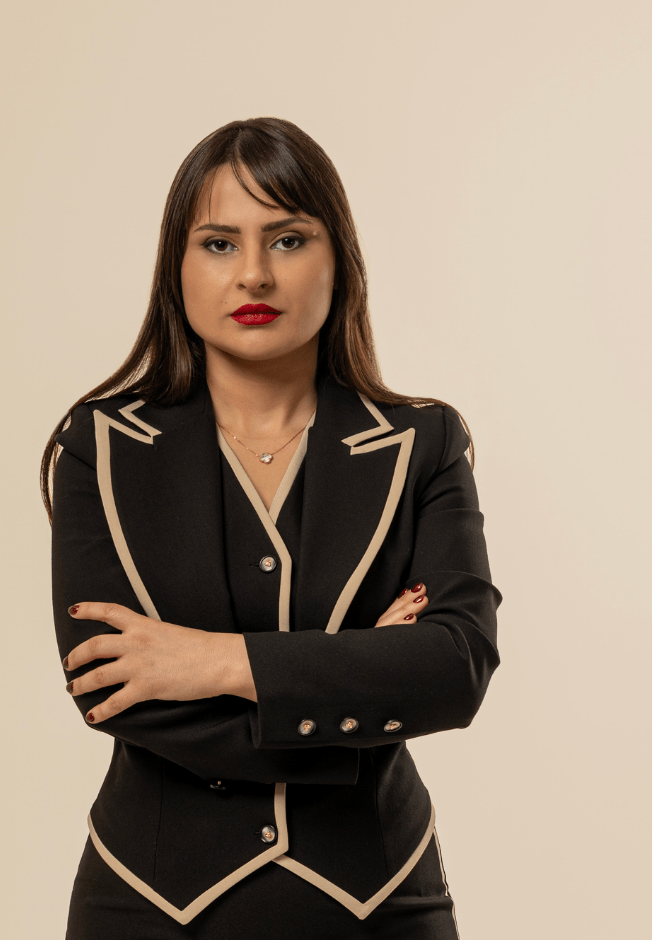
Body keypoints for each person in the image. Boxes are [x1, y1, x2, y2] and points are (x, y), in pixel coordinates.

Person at [40, 116, 502, 939]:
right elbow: (111, 687)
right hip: (146, 906)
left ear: (339, 259)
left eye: (288, 240)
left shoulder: (424, 442)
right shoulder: (101, 447)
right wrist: (359, 678)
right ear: (176, 267)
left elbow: (454, 667)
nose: (253, 273)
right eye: (219, 244)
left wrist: (212, 660)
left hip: (381, 903)